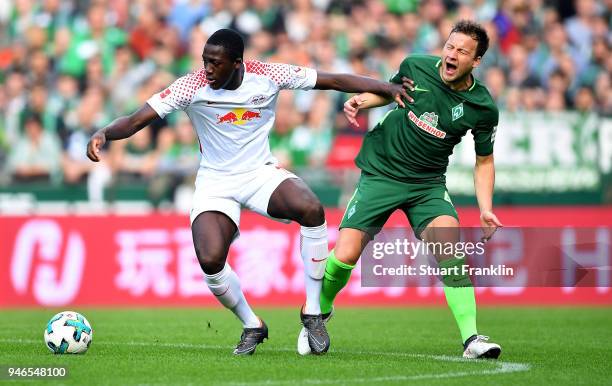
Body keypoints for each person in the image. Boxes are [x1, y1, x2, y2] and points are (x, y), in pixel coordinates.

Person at [87, 29, 411, 356]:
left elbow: (334, 81)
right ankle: (251, 324)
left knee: (311, 209)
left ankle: (313, 312)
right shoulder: (190, 86)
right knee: (211, 260)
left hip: (259, 173)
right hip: (215, 182)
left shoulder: (268, 74)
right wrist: (105, 133)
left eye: (215, 63)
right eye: (205, 61)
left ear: (238, 63)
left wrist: (386, 87)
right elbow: (136, 119)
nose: (208, 69)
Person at [306, 21, 503, 359]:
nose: (452, 55)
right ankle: (316, 314)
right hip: (382, 172)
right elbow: (389, 91)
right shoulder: (416, 65)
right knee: (345, 255)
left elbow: (484, 161)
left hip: (427, 184)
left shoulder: (483, 107)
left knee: (450, 251)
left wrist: (485, 207)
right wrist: (360, 102)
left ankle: (472, 339)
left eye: (462, 52)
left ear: (477, 61)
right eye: (450, 47)